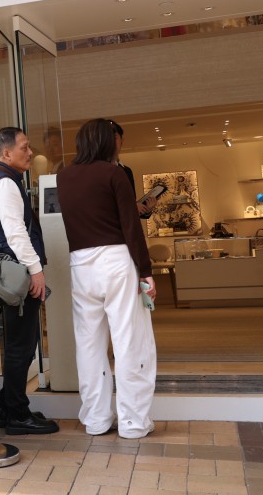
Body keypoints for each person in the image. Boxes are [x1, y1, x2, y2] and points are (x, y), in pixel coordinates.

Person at [57, 119, 156, 439]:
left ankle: (96, 419)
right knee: (130, 341)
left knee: (89, 343)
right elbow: (131, 226)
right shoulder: (113, 173)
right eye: (118, 140)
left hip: (80, 264)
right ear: (108, 141)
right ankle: (133, 422)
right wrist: (146, 271)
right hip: (116, 261)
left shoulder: (64, 176)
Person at [0, 128, 59, 435]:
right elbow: (15, 233)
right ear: (6, 153)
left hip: (12, 270)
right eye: (24, 147)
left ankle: (11, 408)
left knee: (20, 344)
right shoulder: (5, 184)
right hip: (18, 272)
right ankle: (15, 413)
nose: (30, 152)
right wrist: (36, 270)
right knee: (20, 346)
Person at [109, 120, 156, 217]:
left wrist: (147, 209)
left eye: (114, 138)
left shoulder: (126, 171)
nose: (110, 143)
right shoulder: (95, 171)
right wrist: (132, 207)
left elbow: (131, 204)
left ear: (122, 140)